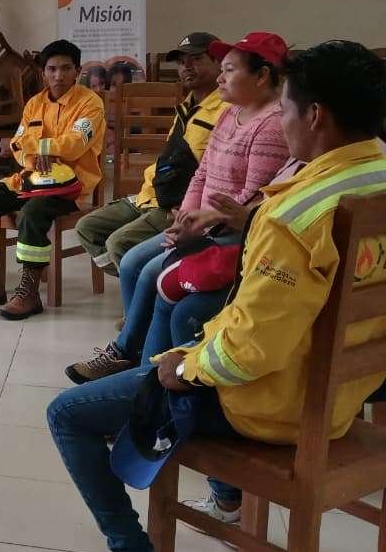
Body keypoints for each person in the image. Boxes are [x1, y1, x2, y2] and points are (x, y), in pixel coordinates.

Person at [47, 40, 386, 552]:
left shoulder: (297, 214)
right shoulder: (374, 172)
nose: (281, 120)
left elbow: (251, 350)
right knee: (174, 331)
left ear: (316, 115)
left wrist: (183, 367)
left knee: (71, 414)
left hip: (276, 401)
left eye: (286, 108)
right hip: (351, 393)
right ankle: (224, 497)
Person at [67, 32, 290, 384]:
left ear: (262, 76)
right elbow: (201, 172)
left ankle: (132, 360)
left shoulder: (272, 126)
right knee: (132, 262)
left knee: (150, 271)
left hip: (227, 235)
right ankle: (132, 351)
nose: (220, 77)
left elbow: (250, 200)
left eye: (229, 69)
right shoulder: (232, 113)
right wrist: (185, 216)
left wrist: (195, 228)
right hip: (196, 221)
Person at [0, 39, 107, 319]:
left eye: (65, 69)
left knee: (31, 213)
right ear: (43, 72)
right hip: (28, 179)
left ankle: (29, 292)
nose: (58, 75)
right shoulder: (35, 103)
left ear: (78, 71)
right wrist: (30, 159)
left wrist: (41, 148)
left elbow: (75, 145)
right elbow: (16, 144)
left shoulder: (91, 104)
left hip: (71, 187)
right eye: (51, 69)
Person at [76, 32, 226, 274]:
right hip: (151, 194)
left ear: (219, 62)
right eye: (180, 62)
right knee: (87, 227)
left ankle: (144, 295)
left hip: (180, 203)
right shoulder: (186, 106)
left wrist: (192, 207)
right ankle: (139, 281)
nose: (186, 67)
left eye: (196, 59)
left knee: (119, 243)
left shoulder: (226, 110)